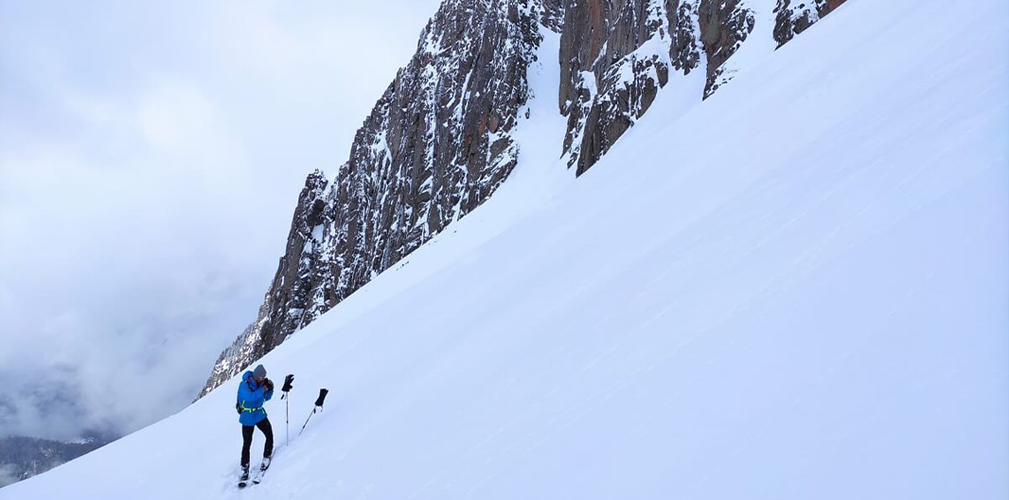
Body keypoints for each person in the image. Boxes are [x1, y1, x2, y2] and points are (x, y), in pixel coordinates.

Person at [236, 364, 274, 479]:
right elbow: (250, 397)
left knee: (269, 434)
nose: (261, 379)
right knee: (247, 443)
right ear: (256, 375)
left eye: (263, 377)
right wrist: (263, 389)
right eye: (260, 377)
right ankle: (244, 468)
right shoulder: (244, 384)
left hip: (258, 414)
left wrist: (270, 389)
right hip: (247, 416)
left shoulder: (261, 384)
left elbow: (266, 398)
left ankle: (266, 457)